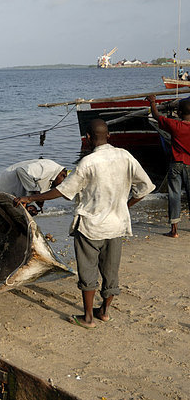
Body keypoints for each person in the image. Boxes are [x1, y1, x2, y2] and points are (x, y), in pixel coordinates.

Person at [14, 119, 155, 329]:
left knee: (88, 271)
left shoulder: (87, 163)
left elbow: (63, 191)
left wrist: (30, 199)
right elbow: (145, 187)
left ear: (88, 138)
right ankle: (104, 312)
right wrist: (125, 206)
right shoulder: (125, 156)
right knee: (110, 271)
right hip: (116, 226)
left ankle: (88, 317)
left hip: (90, 227)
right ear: (108, 136)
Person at [147, 95, 190, 238]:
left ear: (179, 113)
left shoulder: (175, 125)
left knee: (174, 195)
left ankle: (174, 230)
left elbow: (156, 115)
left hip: (176, 164)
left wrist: (153, 101)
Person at [0, 159, 66, 216]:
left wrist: (33, 205)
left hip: (15, 193)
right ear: (63, 175)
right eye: (62, 184)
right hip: (5, 185)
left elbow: (30, 190)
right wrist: (37, 192)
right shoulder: (49, 167)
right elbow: (21, 171)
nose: (59, 187)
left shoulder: (52, 180)